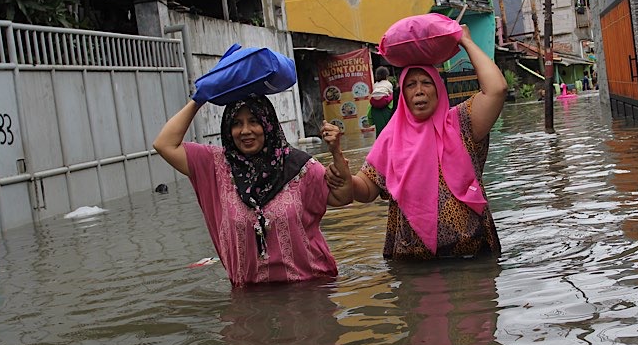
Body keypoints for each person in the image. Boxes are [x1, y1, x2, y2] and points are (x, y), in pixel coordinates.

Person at [329, 25, 507, 260]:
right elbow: (367, 189)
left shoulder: (461, 122)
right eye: (411, 85)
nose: (419, 91)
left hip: (473, 258)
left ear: (439, 89)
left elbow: (497, 89)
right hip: (414, 262)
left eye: (427, 82)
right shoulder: (391, 139)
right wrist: (345, 177)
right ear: (402, 94)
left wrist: (466, 42)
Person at [153, 95, 352, 286]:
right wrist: (198, 100)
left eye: (254, 121)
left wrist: (336, 152)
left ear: (268, 124)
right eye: (236, 123)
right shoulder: (216, 166)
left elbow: (343, 196)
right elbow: (164, 144)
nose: (245, 130)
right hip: (250, 297)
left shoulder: (300, 167)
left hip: (309, 290)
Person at [368, 65, 395, 136]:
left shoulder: (375, 85)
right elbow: (391, 93)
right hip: (385, 106)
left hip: (374, 106)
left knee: (379, 132)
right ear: (386, 75)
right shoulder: (388, 84)